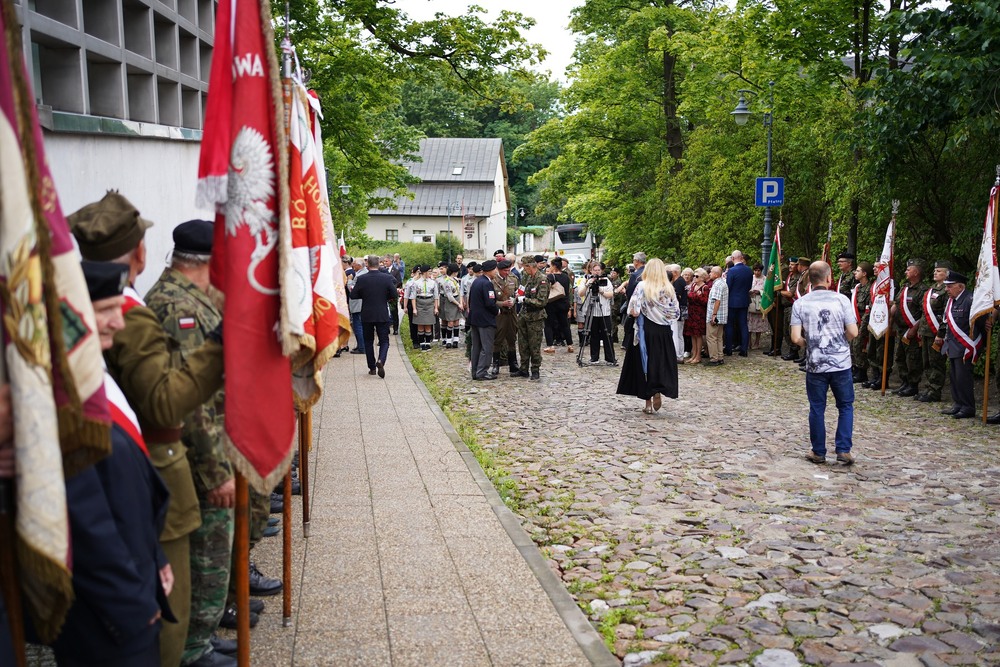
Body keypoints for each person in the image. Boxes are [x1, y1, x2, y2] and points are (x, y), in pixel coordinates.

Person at [69, 191, 225, 667]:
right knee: (166, 622)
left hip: (132, 469)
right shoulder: (129, 314)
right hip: (151, 466)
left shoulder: (106, 304)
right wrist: (222, 345)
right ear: (139, 251)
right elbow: (161, 401)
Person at [45, 260, 174, 667]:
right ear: (69, 312)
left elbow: (126, 488)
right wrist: (131, 607)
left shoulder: (91, 373)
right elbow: (84, 522)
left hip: (133, 584)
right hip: (108, 615)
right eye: (105, 311)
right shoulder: (61, 399)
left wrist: (154, 557)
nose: (118, 323)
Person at [144, 220, 236, 667]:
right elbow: (189, 398)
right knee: (205, 552)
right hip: (197, 454)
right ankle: (193, 647)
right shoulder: (176, 306)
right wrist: (215, 470)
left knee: (210, 550)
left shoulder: (193, 300)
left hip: (208, 446)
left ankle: (201, 633)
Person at [791, 261, 859, 465]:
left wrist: (810, 344)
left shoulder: (800, 303)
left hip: (815, 363)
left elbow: (795, 338)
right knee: (845, 406)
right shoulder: (842, 300)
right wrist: (840, 342)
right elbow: (853, 332)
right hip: (841, 363)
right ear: (829, 278)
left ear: (810, 280)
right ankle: (844, 449)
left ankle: (818, 451)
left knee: (817, 407)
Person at [617, 258, 680, 413]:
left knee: (645, 363)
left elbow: (634, 310)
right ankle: (658, 389)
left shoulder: (642, 286)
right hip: (664, 331)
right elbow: (675, 312)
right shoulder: (669, 288)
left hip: (647, 329)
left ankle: (648, 402)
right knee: (660, 362)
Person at [937, 271, 983, 419]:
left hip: (965, 347)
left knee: (964, 378)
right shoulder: (952, 301)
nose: (947, 289)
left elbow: (981, 323)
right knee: (955, 377)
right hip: (953, 345)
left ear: (960, 286)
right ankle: (958, 404)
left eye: (950, 286)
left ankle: (968, 406)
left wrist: (977, 344)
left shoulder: (970, 299)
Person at [349, 255, 398, 377]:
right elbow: (394, 294)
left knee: (368, 341)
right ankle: (381, 360)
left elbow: (353, 295)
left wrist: (365, 295)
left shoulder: (362, 279)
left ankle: (372, 367)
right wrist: (384, 298)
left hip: (367, 313)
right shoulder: (386, 278)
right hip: (381, 312)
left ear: (367, 265)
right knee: (384, 340)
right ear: (378, 264)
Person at [889, 258, 928, 397]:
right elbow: (897, 303)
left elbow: (925, 312)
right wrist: (888, 317)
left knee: (912, 358)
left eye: (908, 269)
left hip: (911, 329)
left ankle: (913, 384)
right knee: (900, 357)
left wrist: (914, 329)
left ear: (916, 272)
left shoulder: (922, 290)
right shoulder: (905, 287)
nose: (906, 271)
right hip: (900, 329)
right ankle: (904, 382)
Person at [918, 260, 950, 404]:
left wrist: (941, 334)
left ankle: (935, 390)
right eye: (935, 271)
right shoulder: (931, 289)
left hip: (935, 332)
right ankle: (929, 388)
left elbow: (945, 314)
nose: (935, 273)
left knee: (936, 362)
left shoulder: (947, 290)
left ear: (947, 274)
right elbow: (924, 313)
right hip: (925, 331)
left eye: (939, 271)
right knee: (926, 361)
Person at [515, 256, 549, 380]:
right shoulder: (528, 277)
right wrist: (519, 295)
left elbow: (541, 301)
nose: (524, 270)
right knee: (522, 344)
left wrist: (525, 299)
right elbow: (522, 290)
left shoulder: (542, 279)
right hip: (524, 315)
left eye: (525, 267)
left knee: (534, 344)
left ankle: (535, 369)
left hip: (536, 317)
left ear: (530, 266)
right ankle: (523, 368)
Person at [577, 262, 617, 365]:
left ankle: (610, 358)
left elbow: (611, 294)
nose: (597, 272)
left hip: (604, 312)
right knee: (593, 335)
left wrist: (600, 291)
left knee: (607, 335)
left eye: (599, 270)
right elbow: (580, 293)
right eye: (595, 270)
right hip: (591, 312)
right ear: (591, 270)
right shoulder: (585, 279)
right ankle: (594, 357)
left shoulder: (606, 281)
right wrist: (588, 284)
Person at [468, 259, 500, 380]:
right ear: (490, 270)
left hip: (475, 318)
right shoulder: (487, 284)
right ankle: (482, 372)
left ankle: (475, 371)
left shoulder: (476, 281)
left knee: (476, 347)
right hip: (485, 320)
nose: (496, 272)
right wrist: (497, 311)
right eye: (495, 269)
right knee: (486, 347)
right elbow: (490, 303)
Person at [493, 259, 519, 374]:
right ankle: (496, 364)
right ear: (499, 270)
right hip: (500, 314)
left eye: (509, 270)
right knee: (498, 339)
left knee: (512, 338)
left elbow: (517, 292)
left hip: (512, 313)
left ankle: (513, 364)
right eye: (505, 271)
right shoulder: (493, 281)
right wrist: (501, 304)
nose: (507, 273)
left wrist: (515, 299)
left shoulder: (513, 279)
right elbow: (490, 301)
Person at [725, 250, 753, 357]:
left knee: (730, 325)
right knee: (743, 325)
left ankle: (728, 349)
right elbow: (749, 286)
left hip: (732, 301)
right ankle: (744, 349)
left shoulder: (732, 271)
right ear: (741, 257)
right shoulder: (748, 270)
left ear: (732, 259)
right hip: (744, 300)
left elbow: (728, 286)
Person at [544, 257, 574, 354]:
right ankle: (570, 345)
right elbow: (568, 291)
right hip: (564, 303)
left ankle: (550, 346)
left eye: (551, 265)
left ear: (554, 266)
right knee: (565, 325)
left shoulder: (550, 277)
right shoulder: (566, 276)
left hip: (552, 303)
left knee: (548, 325)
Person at [850, 262, 873, 385]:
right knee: (853, 345)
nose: (855, 272)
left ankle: (862, 371)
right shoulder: (857, 287)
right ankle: (855, 368)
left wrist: (862, 325)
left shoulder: (870, 288)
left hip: (863, 320)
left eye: (858, 271)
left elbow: (868, 310)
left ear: (864, 274)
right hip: (854, 321)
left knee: (860, 345)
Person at [408, 264, 439, 351]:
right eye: (429, 271)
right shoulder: (416, 283)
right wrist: (414, 308)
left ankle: (428, 343)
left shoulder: (433, 282)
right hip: (420, 302)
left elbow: (436, 296)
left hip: (429, 302)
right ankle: (422, 343)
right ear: (424, 272)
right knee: (420, 324)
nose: (430, 273)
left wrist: (436, 307)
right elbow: (413, 296)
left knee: (428, 324)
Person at [684, 268, 709, 364]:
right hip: (691, 312)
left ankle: (698, 356)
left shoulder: (705, 287)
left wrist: (697, 296)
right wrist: (696, 295)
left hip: (699, 313)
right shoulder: (693, 285)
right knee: (692, 334)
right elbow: (689, 296)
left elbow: (705, 301)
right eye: (694, 275)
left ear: (702, 278)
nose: (694, 277)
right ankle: (693, 354)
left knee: (698, 335)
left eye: (697, 276)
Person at [705, 266, 729, 366]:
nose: (709, 274)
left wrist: (713, 315)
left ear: (716, 274)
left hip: (716, 315)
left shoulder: (717, 285)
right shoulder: (723, 283)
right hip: (722, 315)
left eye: (711, 272)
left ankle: (714, 358)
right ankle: (720, 357)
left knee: (711, 337)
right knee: (719, 337)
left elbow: (717, 301)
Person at [779, 258, 801, 360]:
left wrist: (779, 292)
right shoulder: (789, 276)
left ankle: (794, 350)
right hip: (786, 306)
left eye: (792, 264)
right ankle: (791, 349)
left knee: (791, 329)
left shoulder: (797, 278)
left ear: (797, 265)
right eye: (790, 264)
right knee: (785, 330)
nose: (790, 266)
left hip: (793, 306)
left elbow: (790, 293)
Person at [439, 263, 463, 349]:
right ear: (454, 272)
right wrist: (458, 304)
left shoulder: (455, 280)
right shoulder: (447, 282)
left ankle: (455, 340)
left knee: (457, 320)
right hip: (451, 302)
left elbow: (459, 291)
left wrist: (460, 301)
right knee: (450, 321)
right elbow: (449, 296)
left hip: (457, 300)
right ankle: (448, 340)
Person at [346, 257, 367, 354]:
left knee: (358, 325)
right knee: (359, 325)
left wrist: (349, 280)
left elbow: (352, 289)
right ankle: (360, 345)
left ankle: (362, 347)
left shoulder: (360, 275)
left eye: (354, 263)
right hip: (361, 303)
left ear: (359, 265)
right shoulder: (362, 273)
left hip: (358, 304)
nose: (352, 265)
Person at [748, 262, 770, 350]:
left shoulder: (765, 279)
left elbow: (767, 291)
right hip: (750, 302)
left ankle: (757, 341)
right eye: (755, 270)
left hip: (760, 302)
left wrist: (759, 292)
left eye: (759, 271)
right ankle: (749, 341)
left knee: (759, 324)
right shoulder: (750, 278)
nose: (757, 272)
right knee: (749, 323)